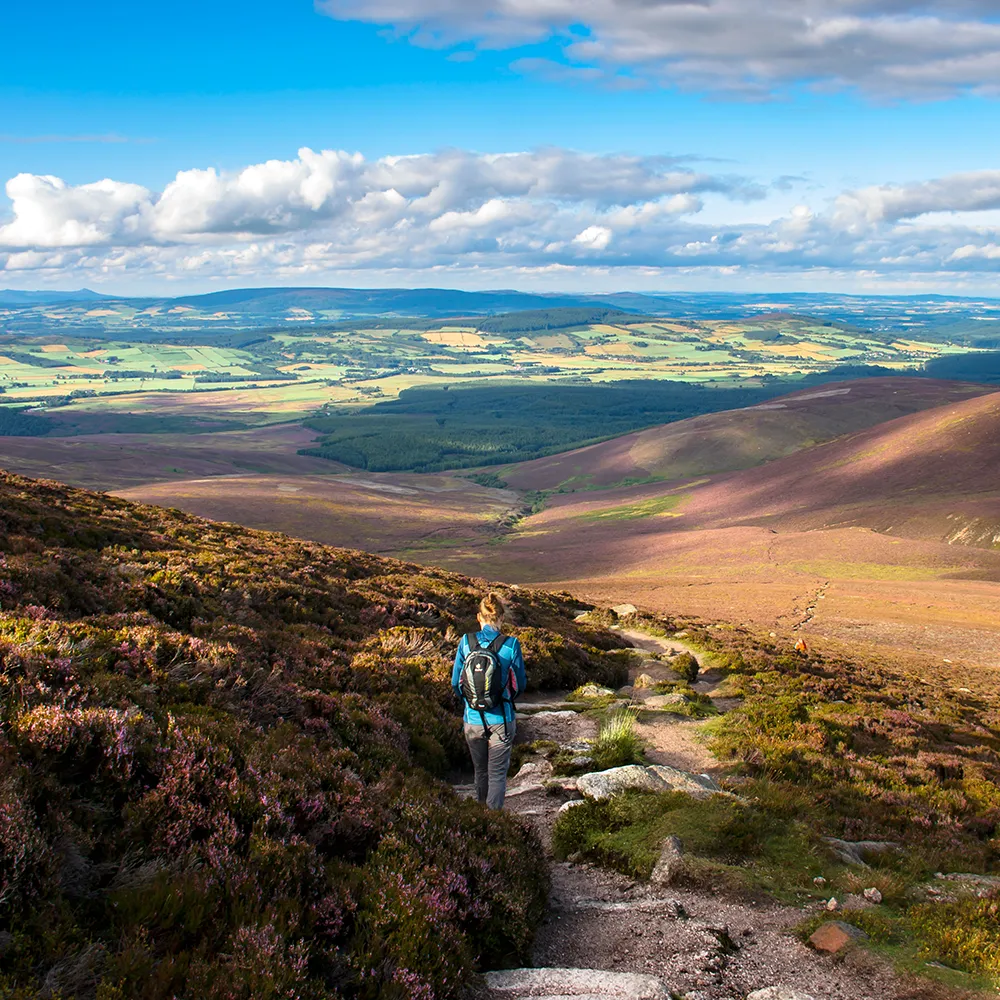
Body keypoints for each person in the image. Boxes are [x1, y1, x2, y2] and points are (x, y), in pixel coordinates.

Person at [451, 592, 526, 810]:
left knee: (480, 771)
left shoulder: (466, 642)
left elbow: (456, 683)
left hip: (472, 719)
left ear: (479, 617)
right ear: (501, 618)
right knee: (497, 774)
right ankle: (494, 820)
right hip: (502, 719)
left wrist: (470, 703)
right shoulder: (511, 645)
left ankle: (481, 815)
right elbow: (520, 684)